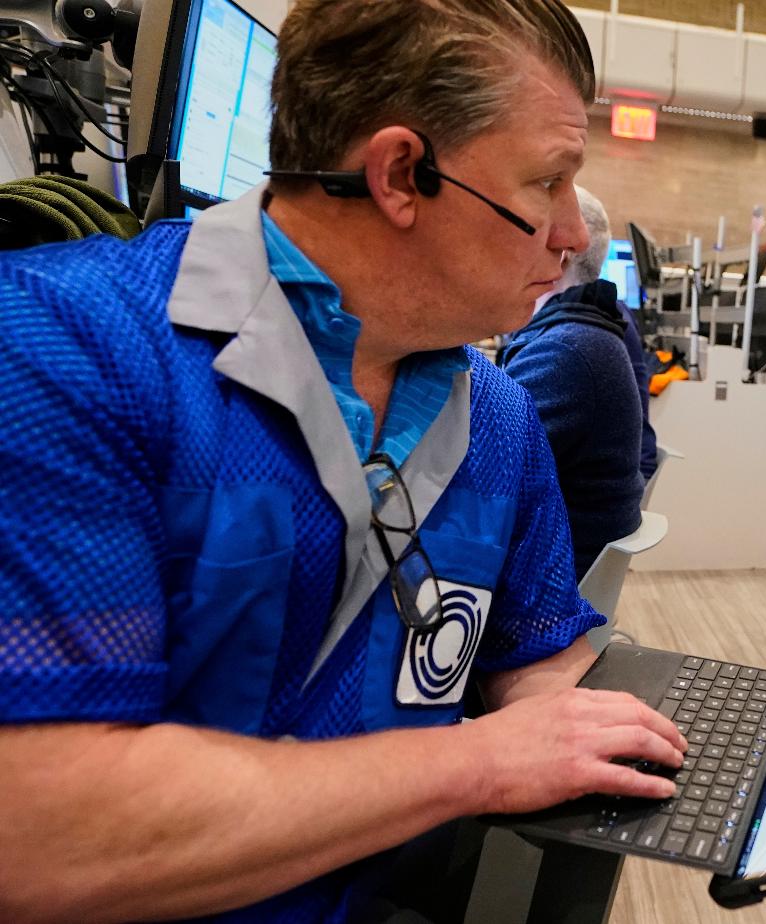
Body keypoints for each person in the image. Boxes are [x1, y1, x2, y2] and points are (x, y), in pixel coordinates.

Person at [0, 1, 687, 921]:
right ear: (402, 173)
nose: (572, 235)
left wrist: (643, 734)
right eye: (547, 184)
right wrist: (476, 762)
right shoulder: (64, 353)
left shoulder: (498, 418)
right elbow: (45, 831)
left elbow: (539, 649)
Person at [498, 186, 647, 579]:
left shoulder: (566, 352)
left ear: (561, 251)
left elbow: (479, 477)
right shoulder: (582, 337)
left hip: (544, 588)